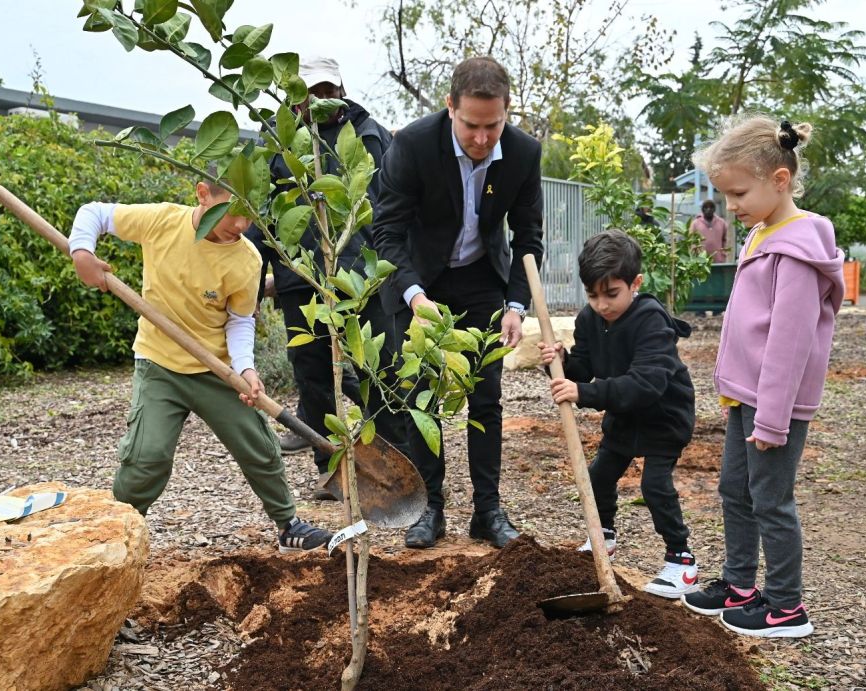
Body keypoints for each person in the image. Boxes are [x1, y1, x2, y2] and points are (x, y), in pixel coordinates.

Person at [68, 173, 332, 553]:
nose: (241, 226)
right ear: (203, 195)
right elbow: (96, 213)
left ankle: (289, 524)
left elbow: (240, 321)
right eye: (232, 213)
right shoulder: (163, 221)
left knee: (259, 447)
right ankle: (117, 534)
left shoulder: (247, 259)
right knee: (147, 457)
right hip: (159, 364)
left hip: (216, 370)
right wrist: (82, 252)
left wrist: (245, 369)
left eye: (250, 217)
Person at [681, 117, 844, 638]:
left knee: (770, 498)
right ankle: (739, 584)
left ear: (778, 179)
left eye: (738, 192)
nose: (730, 205)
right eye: (725, 194)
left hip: (774, 404)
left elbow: (789, 343)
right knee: (735, 489)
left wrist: (772, 420)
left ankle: (785, 605)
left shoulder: (797, 248)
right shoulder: (761, 232)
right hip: (746, 396)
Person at [372, 56, 544, 549]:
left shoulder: (523, 154)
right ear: (450, 108)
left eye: (494, 125)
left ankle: (487, 512)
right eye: (472, 125)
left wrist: (516, 304)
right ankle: (431, 507)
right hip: (419, 279)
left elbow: (528, 237)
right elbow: (387, 231)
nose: (483, 138)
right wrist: (413, 295)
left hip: (479, 279)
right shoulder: (412, 145)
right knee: (417, 393)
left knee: (485, 394)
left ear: (507, 112)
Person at [246, 57, 408, 499]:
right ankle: (330, 471)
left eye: (325, 91)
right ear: (294, 97)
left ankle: (390, 466)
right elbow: (262, 214)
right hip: (301, 276)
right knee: (314, 375)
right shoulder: (279, 143)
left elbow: (388, 207)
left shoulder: (369, 135)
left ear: (341, 89)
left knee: (374, 369)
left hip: (358, 277)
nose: (317, 101)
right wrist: (254, 276)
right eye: (307, 94)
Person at [537, 230, 699, 598]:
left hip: (663, 416)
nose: (602, 305)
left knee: (654, 487)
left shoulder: (651, 321)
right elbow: (584, 366)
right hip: (624, 417)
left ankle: (681, 560)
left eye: (611, 294)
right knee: (599, 476)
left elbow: (645, 384)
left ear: (635, 283)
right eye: (593, 295)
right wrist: (560, 364)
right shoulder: (589, 319)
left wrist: (584, 393)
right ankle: (603, 536)